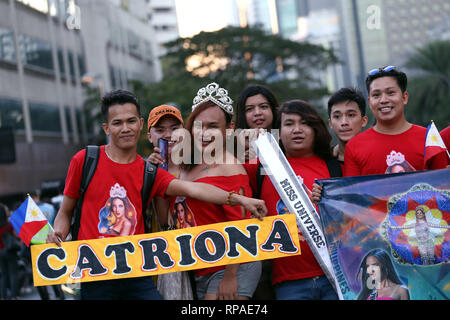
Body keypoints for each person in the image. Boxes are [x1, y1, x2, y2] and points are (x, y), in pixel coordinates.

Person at [46, 89, 267, 300]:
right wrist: (58, 233)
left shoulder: (151, 172)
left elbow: (194, 190)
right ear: (106, 128)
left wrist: (239, 198)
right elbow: (65, 212)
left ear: (140, 125)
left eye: (131, 121)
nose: (125, 128)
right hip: (96, 273)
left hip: (140, 273)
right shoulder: (86, 160)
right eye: (117, 123)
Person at [244, 100, 339, 300]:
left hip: (334, 277)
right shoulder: (261, 168)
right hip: (288, 282)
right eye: (289, 124)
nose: (297, 130)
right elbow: (221, 167)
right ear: (277, 132)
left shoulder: (334, 167)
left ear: (315, 129)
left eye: (304, 123)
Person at [344, 65, 448, 176]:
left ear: (404, 97)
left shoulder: (430, 140)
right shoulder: (354, 146)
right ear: (370, 102)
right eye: (376, 95)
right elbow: (351, 191)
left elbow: (442, 186)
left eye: (390, 93)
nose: (383, 100)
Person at [146, 104, 194, 300]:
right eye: (160, 130)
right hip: (165, 257)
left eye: (175, 129)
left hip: (202, 249)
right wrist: (154, 174)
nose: (168, 135)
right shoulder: (144, 171)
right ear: (149, 136)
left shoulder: (197, 166)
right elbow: (164, 223)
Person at [235, 84, 279, 163]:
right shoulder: (234, 150)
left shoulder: (287, 143)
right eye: (249, 109)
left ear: (273, 109)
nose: (257, 113)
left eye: (263, 107)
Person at [327, 87, 368, 163]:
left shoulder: (376, 155)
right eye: (337, 116)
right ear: (330, 123)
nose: (344, 122)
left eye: (351, 115)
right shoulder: (325, 160)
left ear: (363, 121)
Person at [0, 203, 20, 300]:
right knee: (13, 274)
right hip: (10, 251)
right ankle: (14, 296)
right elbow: (16, 235)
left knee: (3, 275)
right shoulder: (8, 224)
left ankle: (3, 296)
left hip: (0, 252)